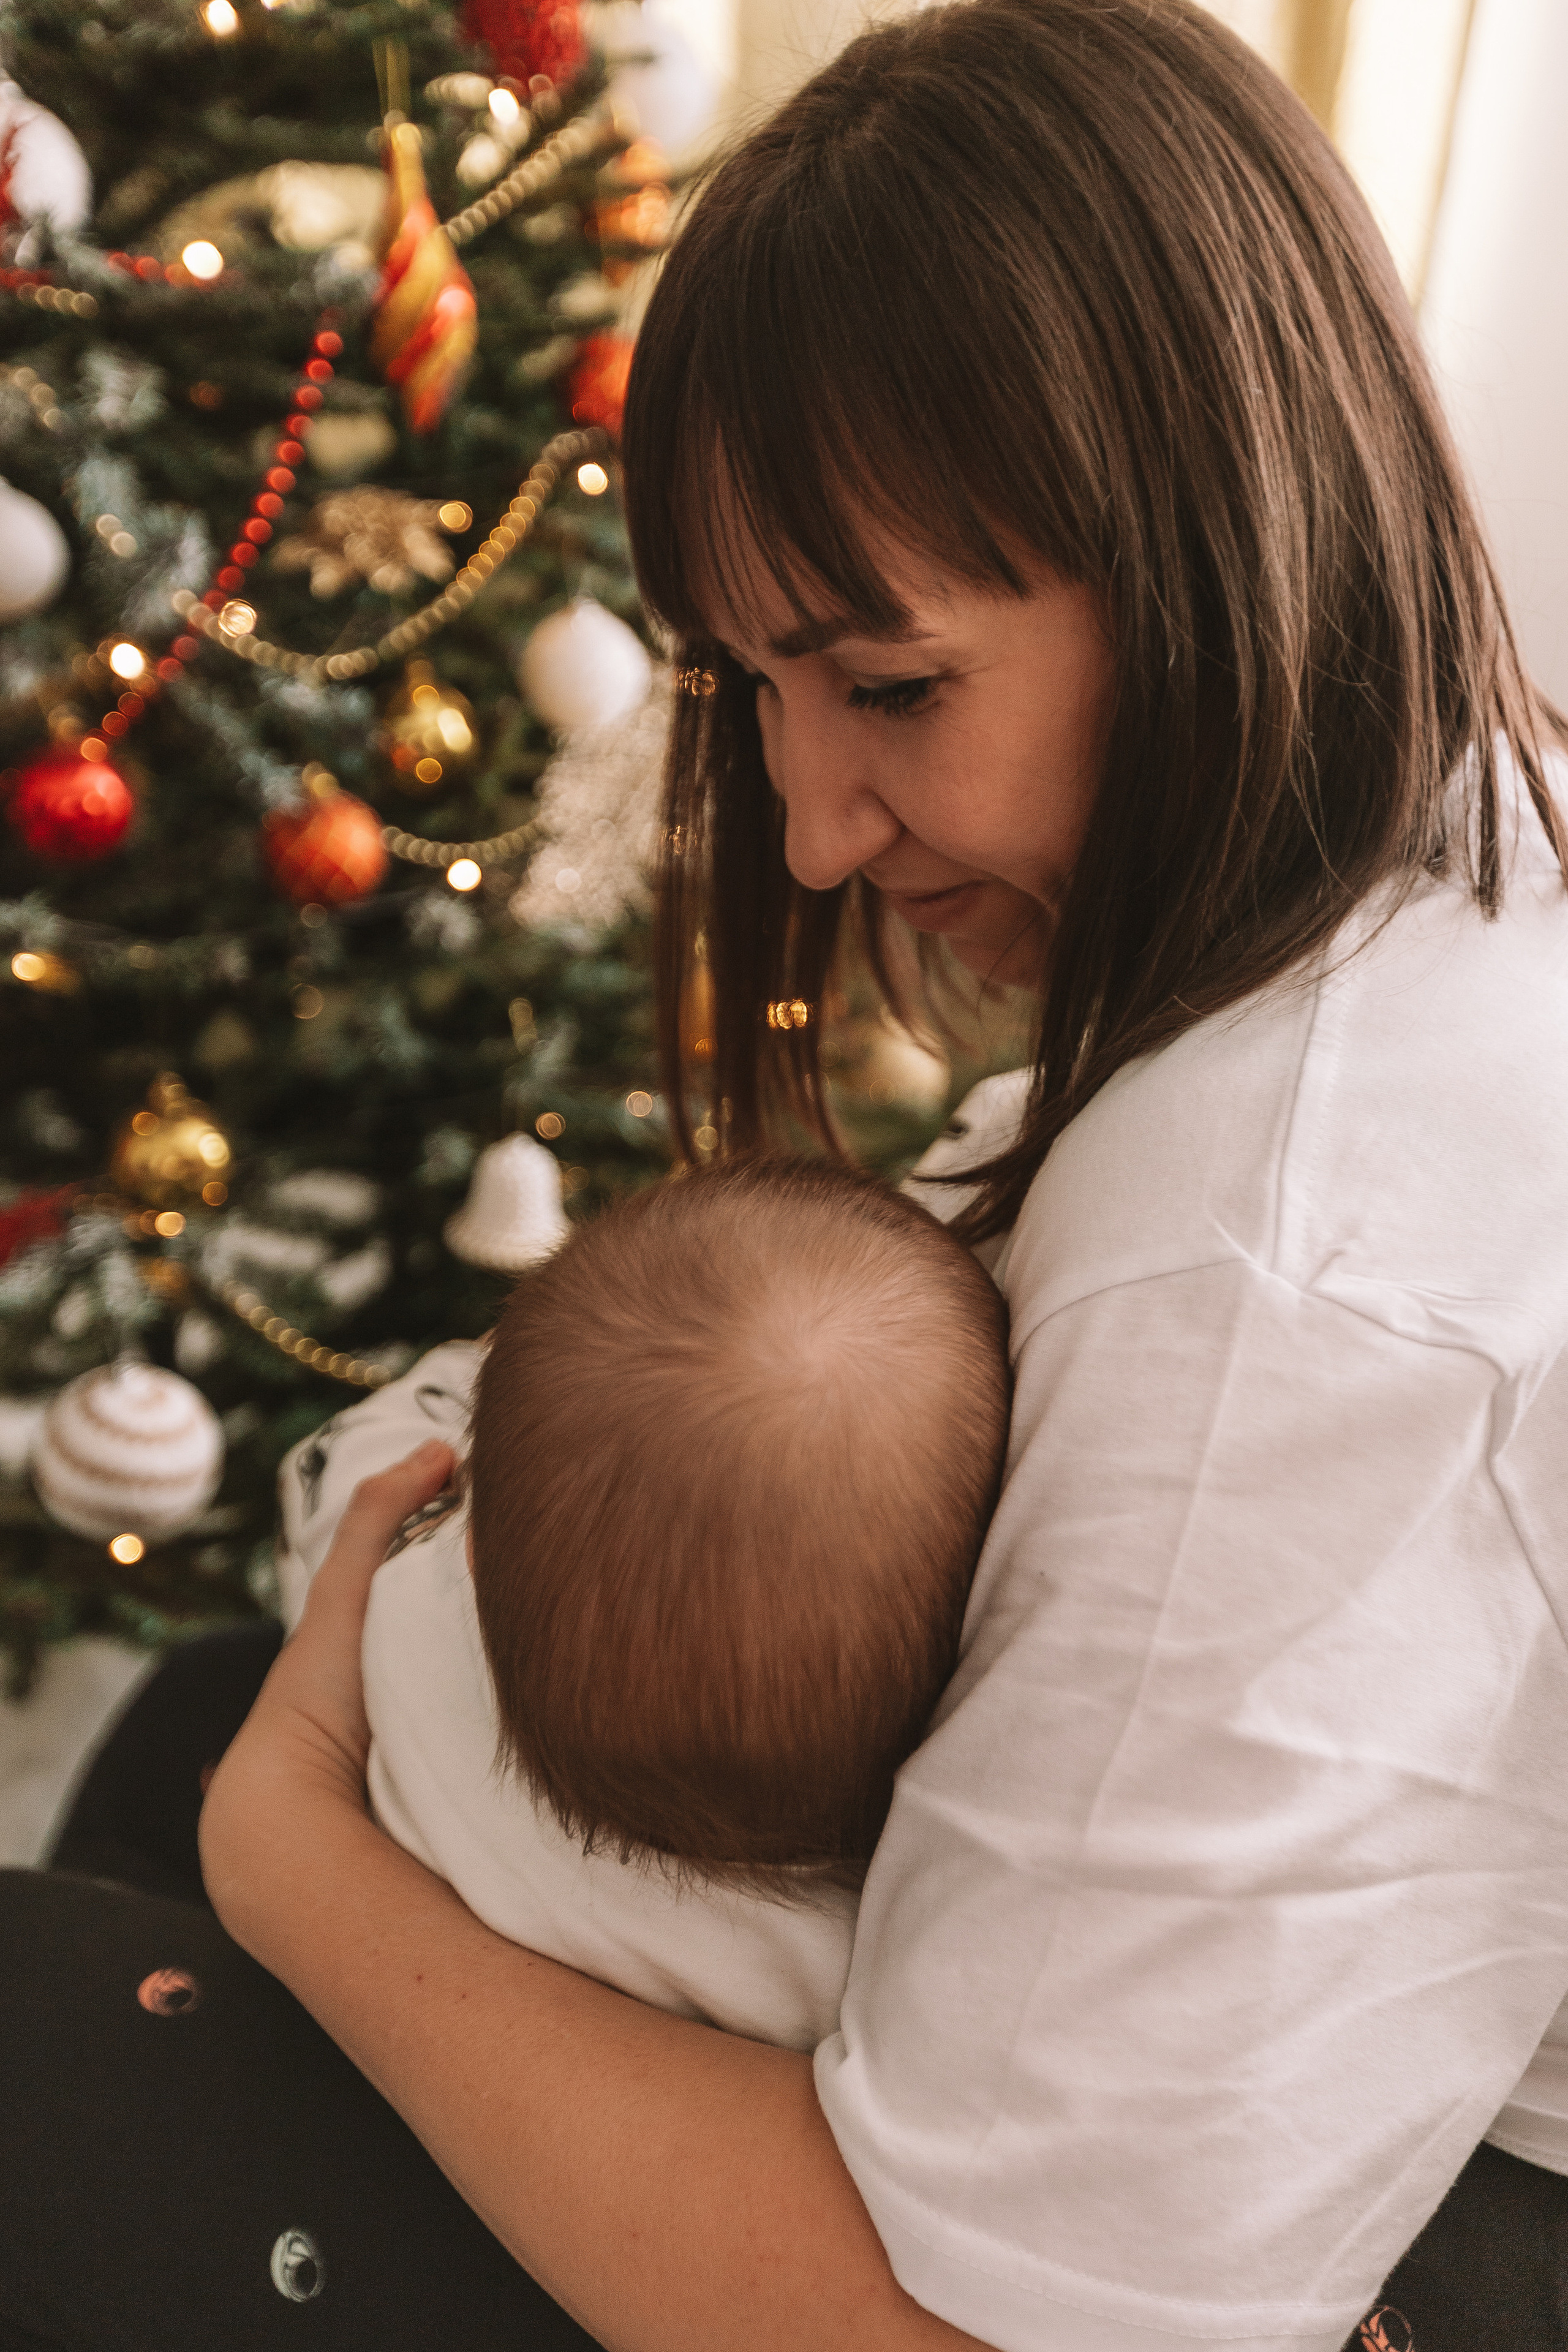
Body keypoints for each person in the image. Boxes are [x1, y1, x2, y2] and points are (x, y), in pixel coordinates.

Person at [4, 1, 1568, 2346]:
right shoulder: (1404, 896)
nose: (819, 831)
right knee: (165, 1712)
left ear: (1223, 542)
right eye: (755, 690)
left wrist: (301, 1852)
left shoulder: (1291, 1281)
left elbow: (974, 2327)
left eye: (895, 685)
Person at [273, 1156, 1009, 2054]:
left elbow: (333, 1468)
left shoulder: (402, 1606)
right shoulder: (859, 1977)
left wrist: (467, 1411)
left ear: (469, 1546)